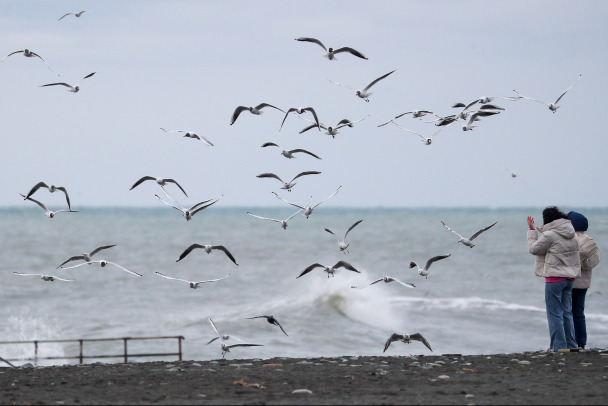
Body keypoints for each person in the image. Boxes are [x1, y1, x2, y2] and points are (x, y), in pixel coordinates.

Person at [527, 206, 581, 352]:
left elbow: (534, 249)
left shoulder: (550, 235)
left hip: (554, 278)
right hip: (569, 278)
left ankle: (558, 347)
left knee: (554, 314)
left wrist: (532, 231)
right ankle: (571, 345)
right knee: (567, 312)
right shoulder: (572, 233)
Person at [568, 211, 601, 349]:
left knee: (567, 312)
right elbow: (594, 261)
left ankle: (569, 342)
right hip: (584, 283)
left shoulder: (570, 239)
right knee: (579, 313)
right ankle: (581, 342)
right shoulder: (589, 240)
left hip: (570, 281)